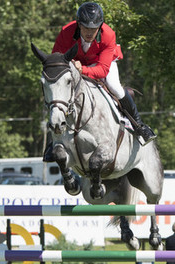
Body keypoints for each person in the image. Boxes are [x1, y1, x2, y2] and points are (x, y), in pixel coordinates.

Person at [43, 1, 156, 163]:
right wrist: (70, 70)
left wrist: (82, 70)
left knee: (115, 87)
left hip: (102, 62)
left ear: (100, 25)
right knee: (58, 94)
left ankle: (139, 126)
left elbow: (102, 70)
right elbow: (57, 60)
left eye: (94, 28)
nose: (90, 32)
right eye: (86, 28)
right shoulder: (66, 32)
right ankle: (51, 141)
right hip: (75, 62)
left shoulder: (108, 34)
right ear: (79, 25)